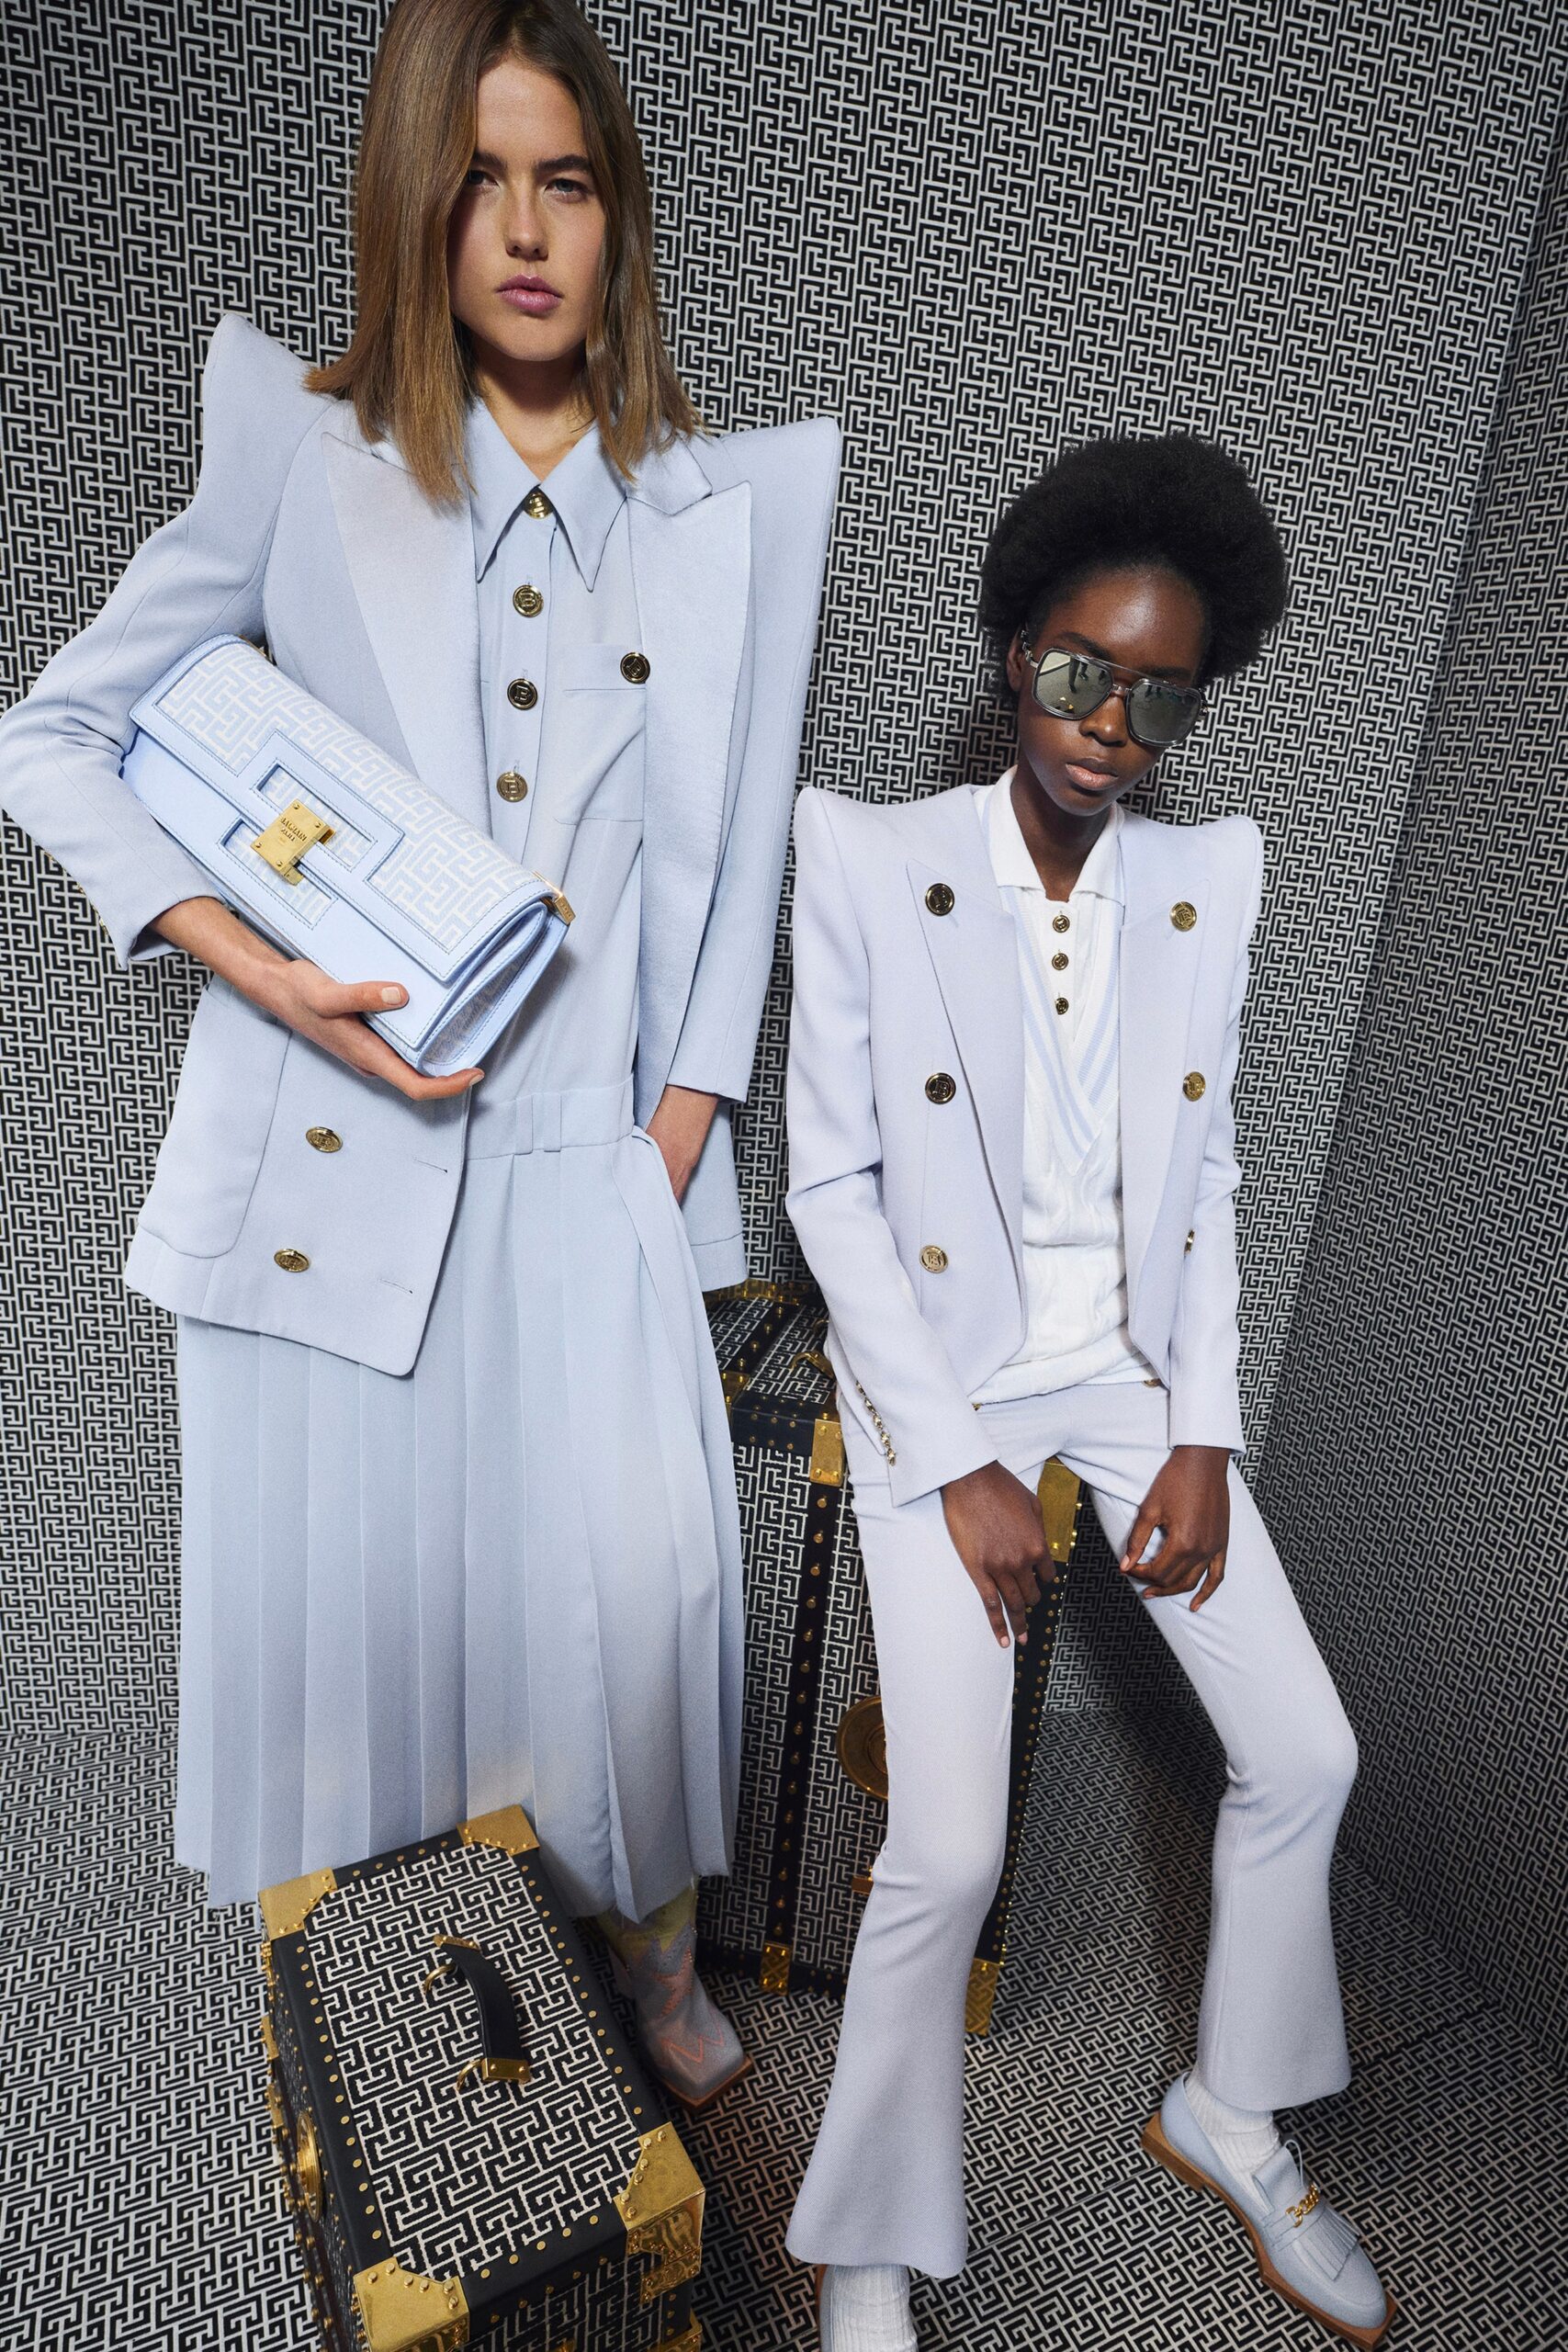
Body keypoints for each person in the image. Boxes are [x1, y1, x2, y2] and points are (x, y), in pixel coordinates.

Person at [0, 0, 838, 2113]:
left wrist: (674, 1129)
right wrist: (250, 966)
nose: (528, 227)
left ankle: (639, 1948)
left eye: (569, 179)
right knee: (369, 1626)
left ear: (614, 213)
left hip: (587, 1157)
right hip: (339, 1138)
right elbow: (58, 730)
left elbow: (723, 868)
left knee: (633, 1590)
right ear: (418, 199)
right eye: (483, 178)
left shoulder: (709, 509)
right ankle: (392, 1989)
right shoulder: (306, 448)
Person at [782, 435, 1393, 2346]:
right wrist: (959, 1460)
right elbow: (827, 1186)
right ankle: (867, 2229)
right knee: (949, 1847)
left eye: (1156, 692)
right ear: (1009, 649)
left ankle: (1227, 2106)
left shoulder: (1210, 874)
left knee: (1303, 1752)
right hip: (948, 1383)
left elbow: (1199, 1172)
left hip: (1125, 1369)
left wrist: (1195, 1426)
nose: (1108, 724)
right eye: (1073, 670)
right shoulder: (866, 856)